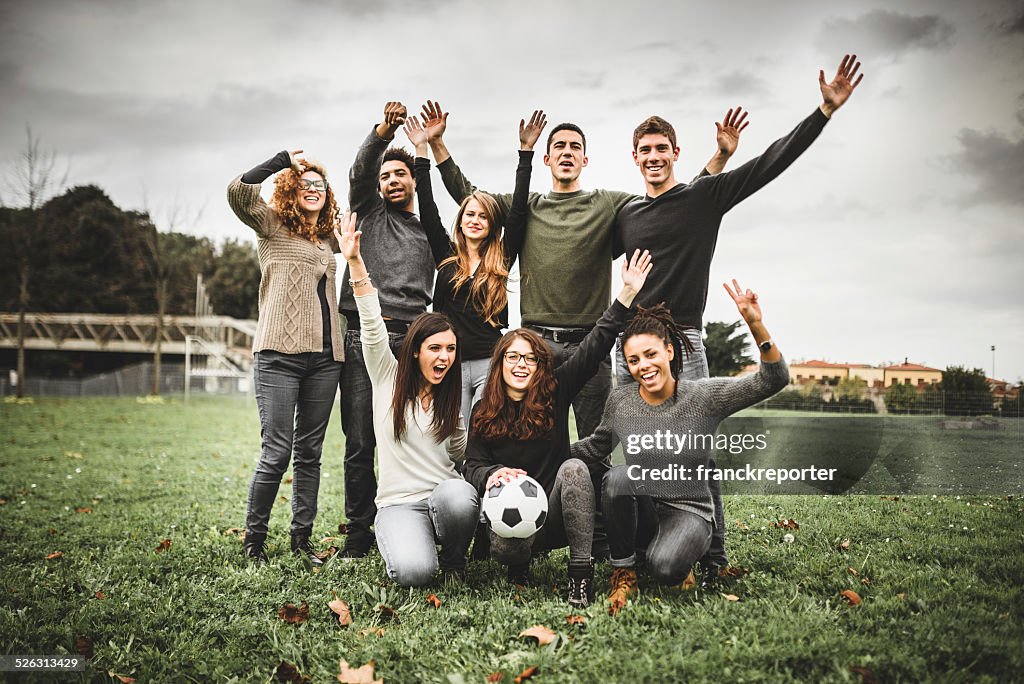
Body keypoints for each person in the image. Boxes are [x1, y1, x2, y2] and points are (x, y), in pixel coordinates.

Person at [613, 54, 864, 579]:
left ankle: (714, 559)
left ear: (676, 153)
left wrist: (823, 110)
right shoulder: (627, 214)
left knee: (695, 454)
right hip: (629, 347)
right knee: (633, 454)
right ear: (634, 158)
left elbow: (770, 162)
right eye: (645, 151)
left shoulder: (706, 196)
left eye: (662, 149)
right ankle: (637, 553)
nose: (654, 157)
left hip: (683, 342)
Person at [422, 102, 735, 439]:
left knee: (594, 439)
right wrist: (437, 144)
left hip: (591, 342)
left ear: (585, 159)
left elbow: (670, 205)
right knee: (534, 437)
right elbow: (473, 200)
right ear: (547, 159)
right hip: (538, 343)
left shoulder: (607, 204)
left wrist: (719, 158)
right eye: (559, 146)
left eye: (575, 147)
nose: (567, 152)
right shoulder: (527, 205)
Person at [569, 280, 790, 612]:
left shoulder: (704, 396)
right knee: (617, 478)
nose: (643, 366)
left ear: (669, 351)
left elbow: (773, 379)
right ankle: (624, 573)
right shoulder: (622, 401)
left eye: (650, 354)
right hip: (643, 511)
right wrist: (540, 452)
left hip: (689, 512)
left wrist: (755, 325)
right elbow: (594, 448)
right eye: (633, 360)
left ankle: (684, 553)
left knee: (664, 569)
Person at [463, 250, 653, 607]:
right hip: (508, 526)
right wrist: (493, 473)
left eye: (530, 358)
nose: (522, 365)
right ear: (500, 362)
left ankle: (579, 574)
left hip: (554, 517)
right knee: (507, 551)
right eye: (513, 357)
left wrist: (626, 294)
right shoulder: (483, 410)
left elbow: (595, 345)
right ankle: (518, 566)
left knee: (575, 467)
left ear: (539, 365)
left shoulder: (556, 389)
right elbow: (471, 465)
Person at [336, 210, 479, 587]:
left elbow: (461, 456)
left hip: (443, 500)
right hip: (400, 505)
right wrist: (354, 261)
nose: (445, 357)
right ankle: (418, 547)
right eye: (436, 348)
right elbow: (370, 320)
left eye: (450, 349)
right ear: (415, 350)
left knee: (459, 494)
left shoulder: (450, 395)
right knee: (414, 573)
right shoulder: (387, 375)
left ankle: (454, 562)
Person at [227, 149, 344, 567]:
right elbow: (239, 192)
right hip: (279, 354)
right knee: (277, 451)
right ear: (293, 190)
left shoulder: (329, 240)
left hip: (327, 358)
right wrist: (280, 162)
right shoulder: (271, 225)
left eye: (320, 185)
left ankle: (302, 539)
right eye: (305, 184)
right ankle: (254, 543)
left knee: (310, 452)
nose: (313, 190)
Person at [337, 102, 436, 558]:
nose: (391, 181)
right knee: (360, 440)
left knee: (412, 436)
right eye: (385, 176)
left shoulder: (428, 232)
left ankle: (417, 523)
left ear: (414, 180)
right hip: (364, 339)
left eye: (400, 175)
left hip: (413, 343)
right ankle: (359, 535)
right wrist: (383, 132)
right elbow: (359, 171)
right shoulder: (369, 212)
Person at [404, 110, 547, 424]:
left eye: (483, 216)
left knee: (485, 430)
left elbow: (519, 211)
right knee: (452, 433)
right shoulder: (446, 257)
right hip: (450, 362)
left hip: (489, 363)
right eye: (470, 214)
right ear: (461, 220)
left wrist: (526, 154)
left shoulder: (501, 259)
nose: (475, 220)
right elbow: (427, 209)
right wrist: (421, 151)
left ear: (492, 224)